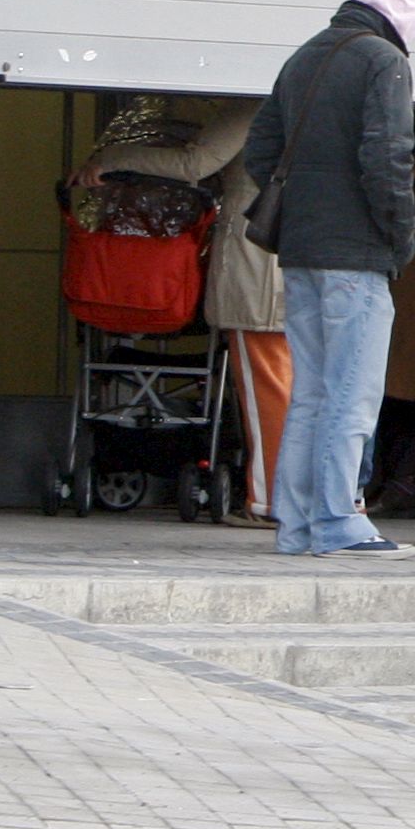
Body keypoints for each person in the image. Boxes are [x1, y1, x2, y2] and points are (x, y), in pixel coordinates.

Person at [239, 0, 415, 561]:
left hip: (300, 254)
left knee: (312, 392)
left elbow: (260, 152)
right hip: (357, 257)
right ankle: (340, 521)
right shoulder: (384, 61)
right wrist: (400, 239)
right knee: (354, 393)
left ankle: (297, 528)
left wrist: (306, 214)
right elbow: (387, 159)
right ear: (406, 6)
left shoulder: (305, 57)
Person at [84, 98, 285, 528]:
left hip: (260, 270)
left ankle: (273, 503)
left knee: (265, 389)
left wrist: (110, 158)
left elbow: (195, 162)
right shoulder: (330, 102)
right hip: (311, 268)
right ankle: (325, 498)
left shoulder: (256, 104)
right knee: (308, 390)